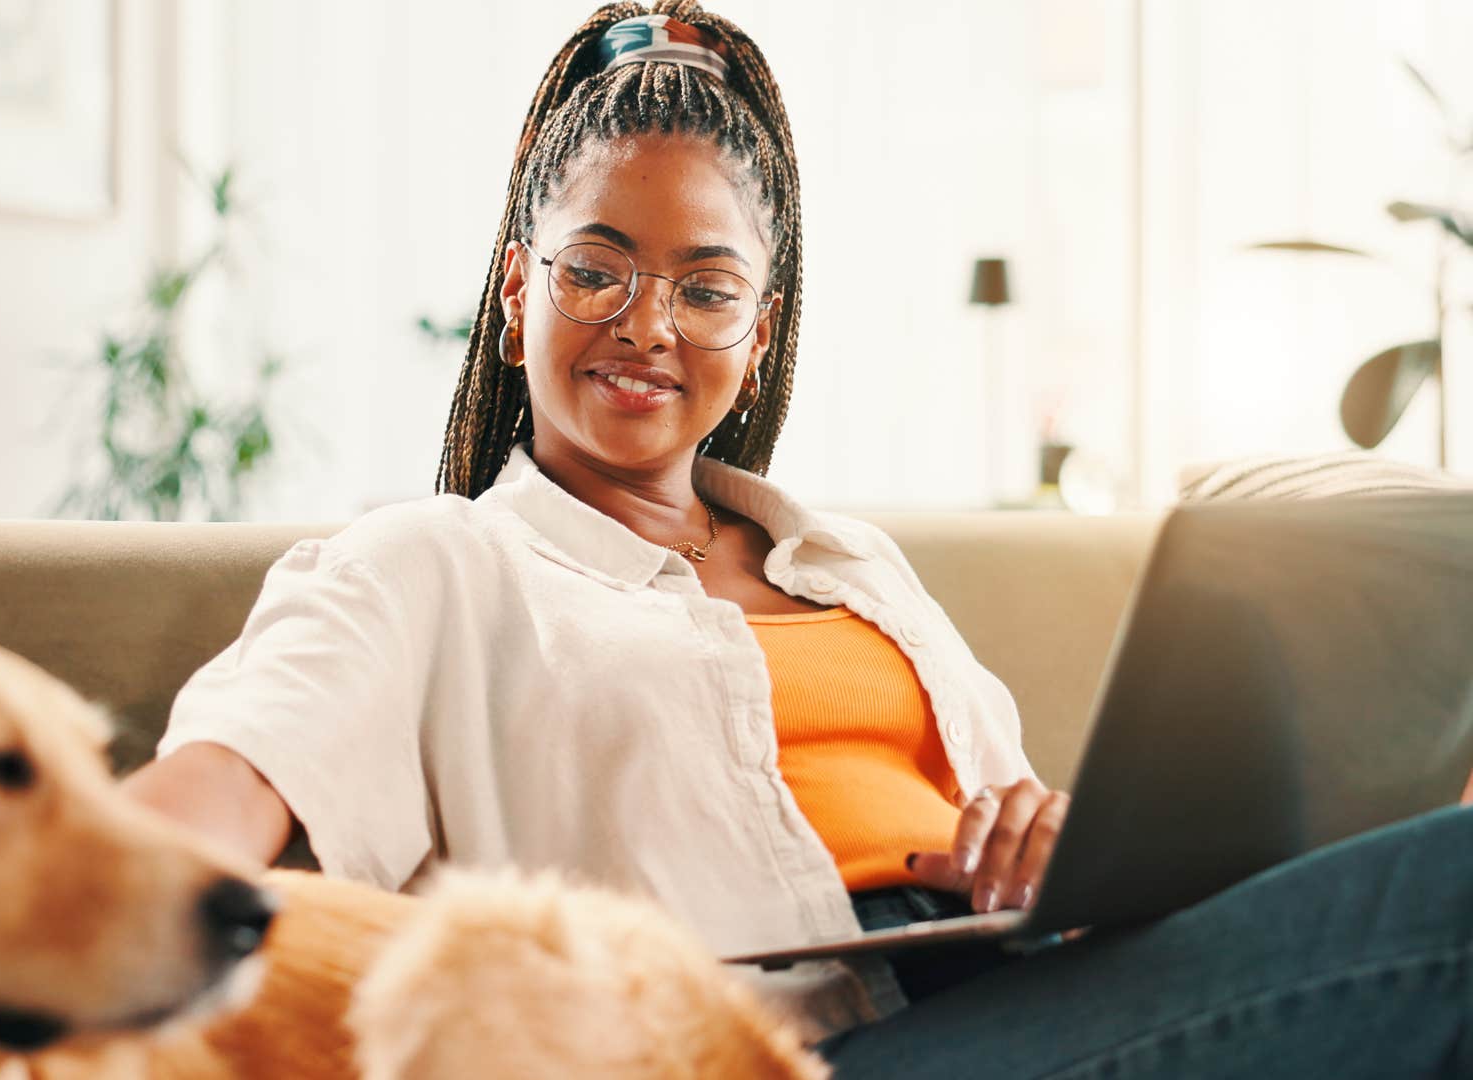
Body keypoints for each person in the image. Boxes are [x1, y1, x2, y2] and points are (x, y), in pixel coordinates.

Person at [123, 4, 1473, 1075]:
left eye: (706, 289)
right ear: (518, 288)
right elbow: (202, 807)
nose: (648, 325)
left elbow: (1021, 828)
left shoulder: (854, 568)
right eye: (595, 269)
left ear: (759, 334)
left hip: (1023, 995)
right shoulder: (425, 567)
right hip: (787, 1052)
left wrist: (1046, 851)